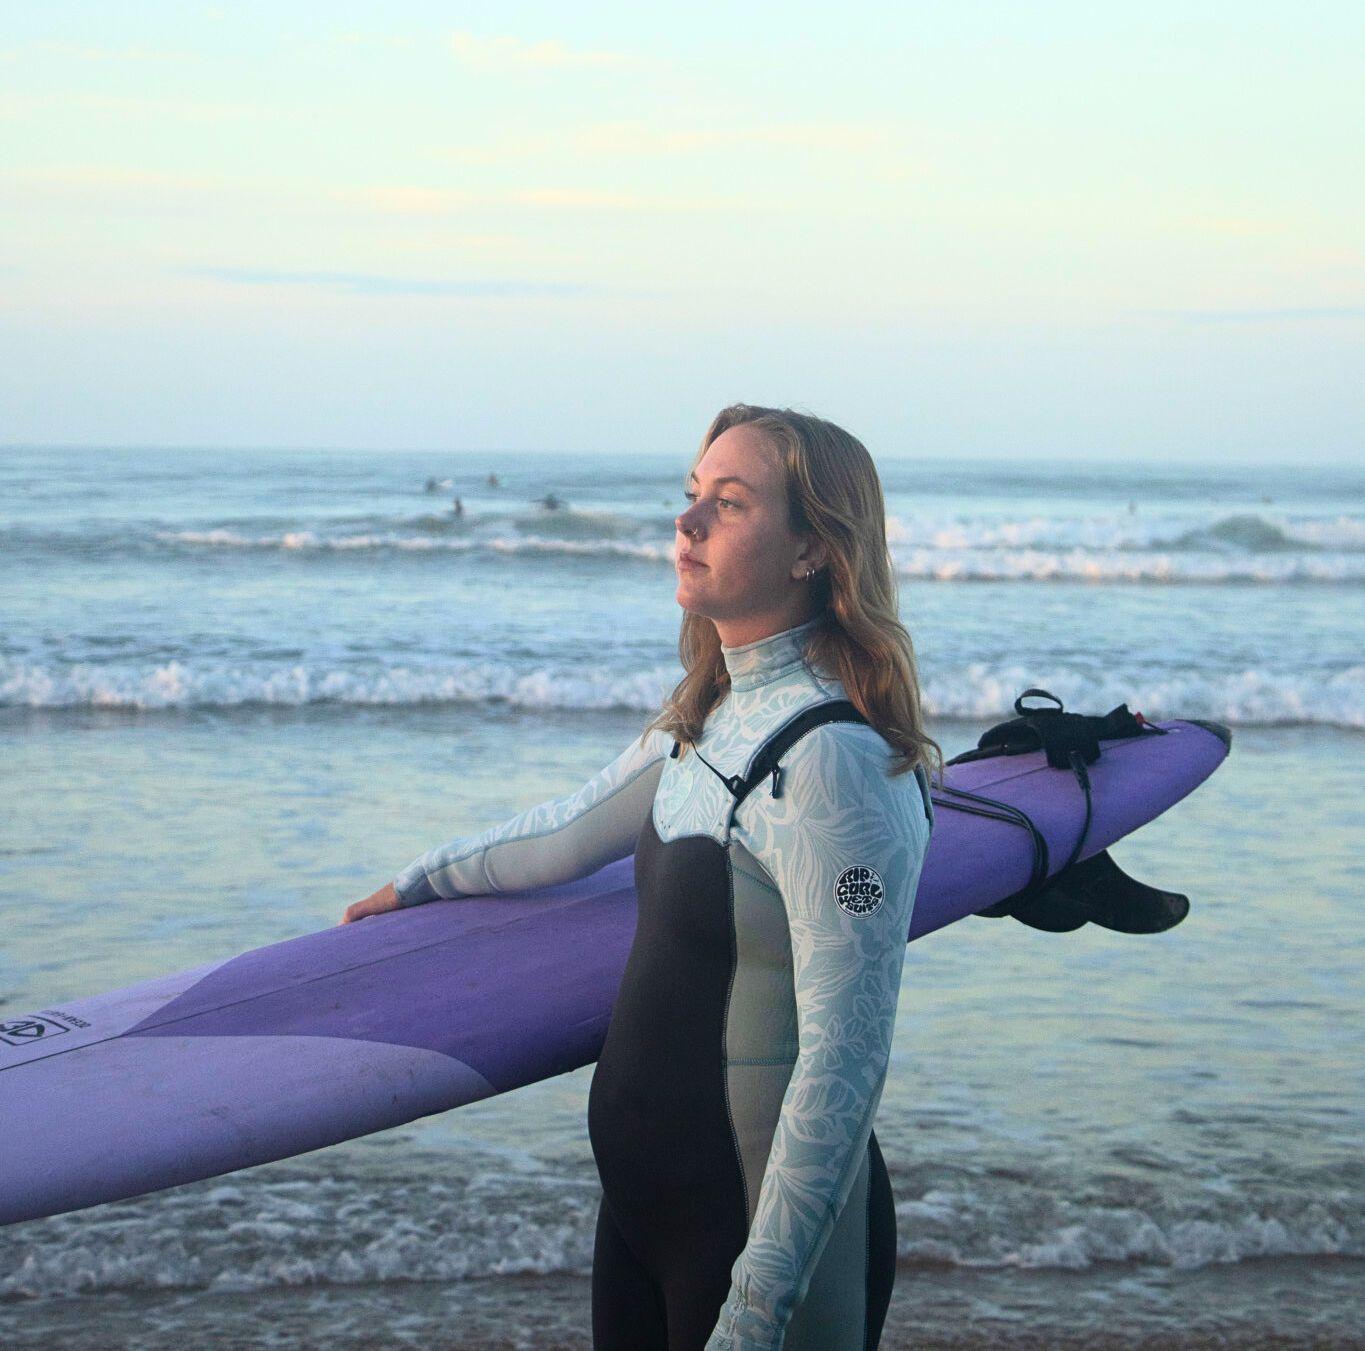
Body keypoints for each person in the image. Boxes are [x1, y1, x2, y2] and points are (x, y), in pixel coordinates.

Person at [342, 404, 941, 1349]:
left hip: (757, 1244)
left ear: (812, 550)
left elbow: (845, 1060)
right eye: (691, 495)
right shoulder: (706, 718)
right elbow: (565, 834)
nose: (687, 522)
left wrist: (758, 1306)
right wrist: (414, 883)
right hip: (641, 1218)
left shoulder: (839, 770)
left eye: (730, 504)